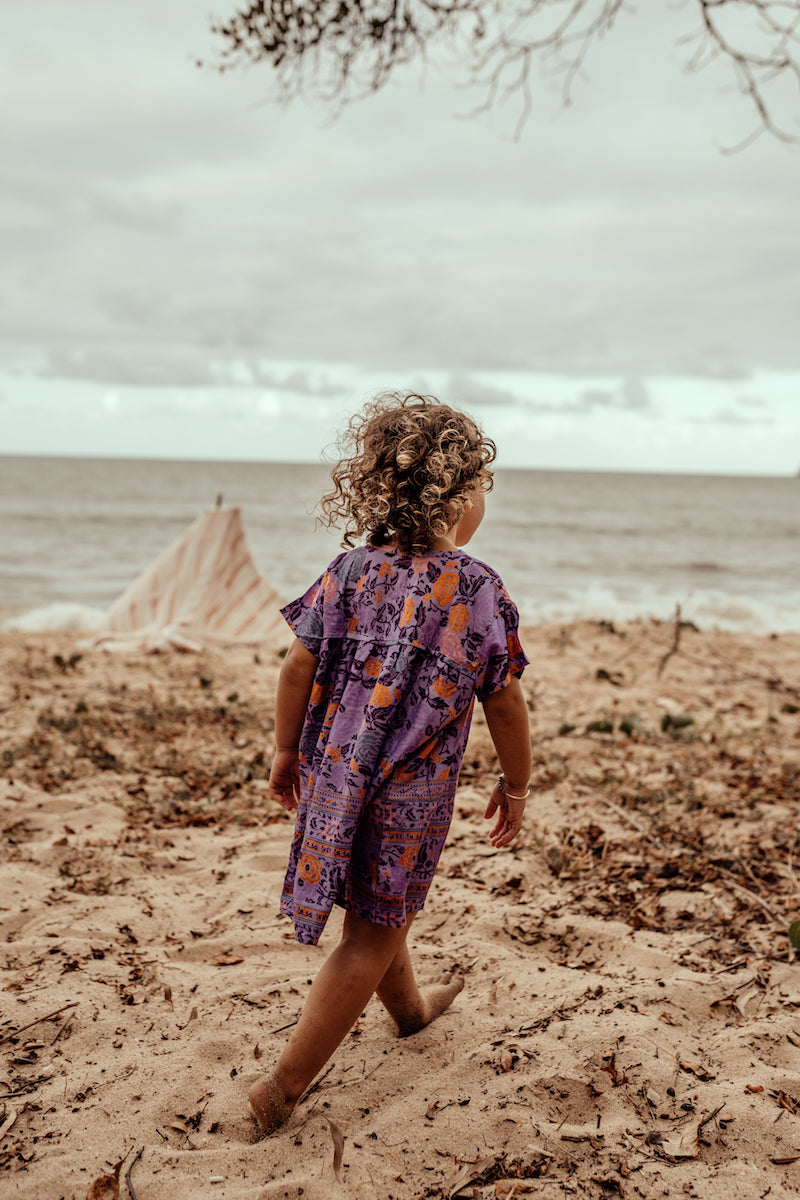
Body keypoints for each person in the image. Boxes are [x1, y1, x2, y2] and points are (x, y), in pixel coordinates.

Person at [249, 392, 532, 1135]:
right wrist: (517, 782)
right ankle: (282, 1086)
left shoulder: (348, 571)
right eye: (479, 493)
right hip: (409, 795)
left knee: (379, 912)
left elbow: (295, 668)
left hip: (336, 778)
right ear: (462, 496)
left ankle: (408, 1013)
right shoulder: (476, 588)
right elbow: (504, 702)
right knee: (372, 931)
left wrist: (283, 751)